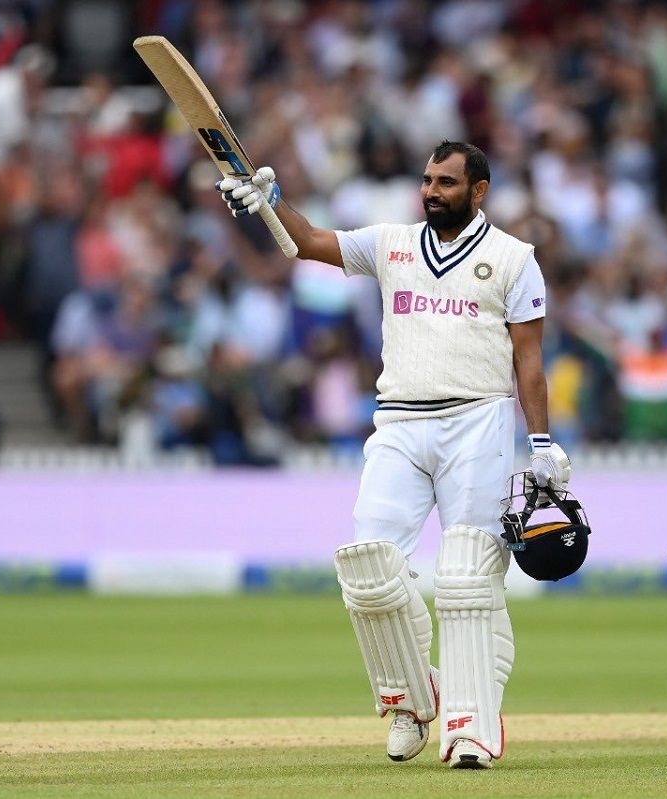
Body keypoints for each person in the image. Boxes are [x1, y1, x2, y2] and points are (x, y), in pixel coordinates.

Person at [216, 141, 570, 769]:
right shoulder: (393, 244)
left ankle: (471, 728)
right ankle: (413, 698)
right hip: (400, 419)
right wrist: (271, 204)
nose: (432, 191)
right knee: (369, 569)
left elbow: (530, 361)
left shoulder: (514, 260)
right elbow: (308, 243)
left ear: (479, 191)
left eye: (447, 182)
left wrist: (540, 442)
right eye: (428, 180)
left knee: (468, 577)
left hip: (478, 418)